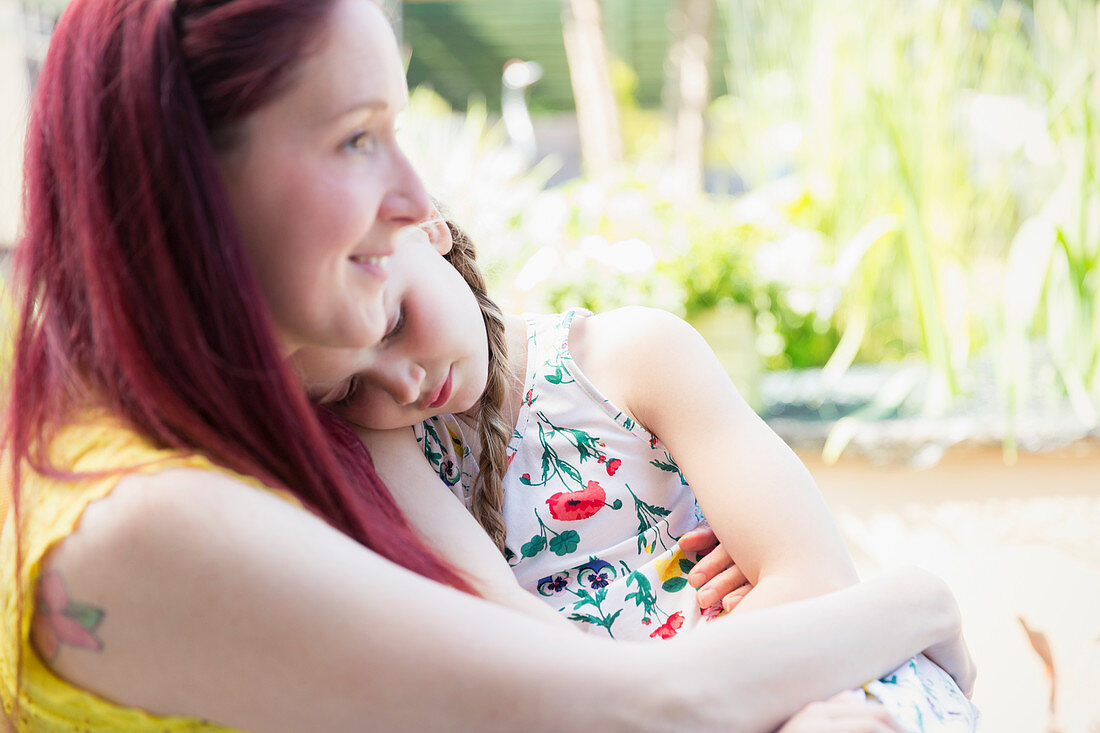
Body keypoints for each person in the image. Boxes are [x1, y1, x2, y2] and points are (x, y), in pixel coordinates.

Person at [0, 0, 975, 730]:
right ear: (194, 186)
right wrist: (912, 598)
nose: (419, 192)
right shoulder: (153, 516)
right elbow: (636, 706)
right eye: (356, 138)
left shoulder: (252, 435)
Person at [297, 219, 979, 731]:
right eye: (348, 388)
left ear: (426, 226)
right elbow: (521, 640)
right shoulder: (385, 449)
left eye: (392, 324)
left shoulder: (631, 357)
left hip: (799, 678)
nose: (403, 383)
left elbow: (813, 577)